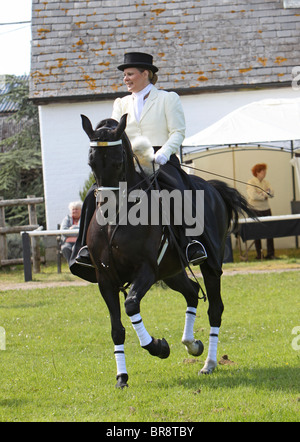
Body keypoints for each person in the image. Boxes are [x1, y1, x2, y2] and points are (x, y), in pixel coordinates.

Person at [72, 52, 207, 278]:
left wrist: (164, 153)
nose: (126, 78)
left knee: (178, 189)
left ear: (146, 74)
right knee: (91, 195)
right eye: (124, 75)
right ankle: (84, 249)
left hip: (160, 158)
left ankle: (191, 244)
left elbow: (178, 131)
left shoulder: (167, 98)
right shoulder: (121, 103)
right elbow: (117, 135)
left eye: (130, 74)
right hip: (129, 163)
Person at [247, 163, 276, 259]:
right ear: (257, 172)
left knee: (270, 231)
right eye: (263, 171)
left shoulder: (266, 182)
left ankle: (271, 254)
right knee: (257, 232)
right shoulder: (251, 182)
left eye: (265, 171)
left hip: (266, 209)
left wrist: (262, 193)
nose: (265, 173)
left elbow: (272, 193)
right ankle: (259, 254)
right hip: (255, 210)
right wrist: (265, 194)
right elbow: (253, 196)